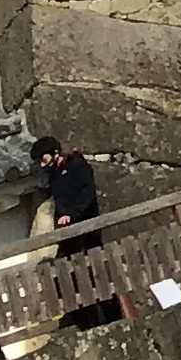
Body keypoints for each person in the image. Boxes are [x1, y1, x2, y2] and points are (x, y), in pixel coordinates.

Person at [33, 137, 117, 330]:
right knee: (71, 277)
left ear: (55, 152)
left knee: (95, 276)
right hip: (68, 235)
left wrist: (72, 214)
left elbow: (87, 194)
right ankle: (84, 321)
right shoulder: (54, 176)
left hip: (86, 231)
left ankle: (105, 319)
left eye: (43, 159)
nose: (42, 164)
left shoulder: (78, 166)